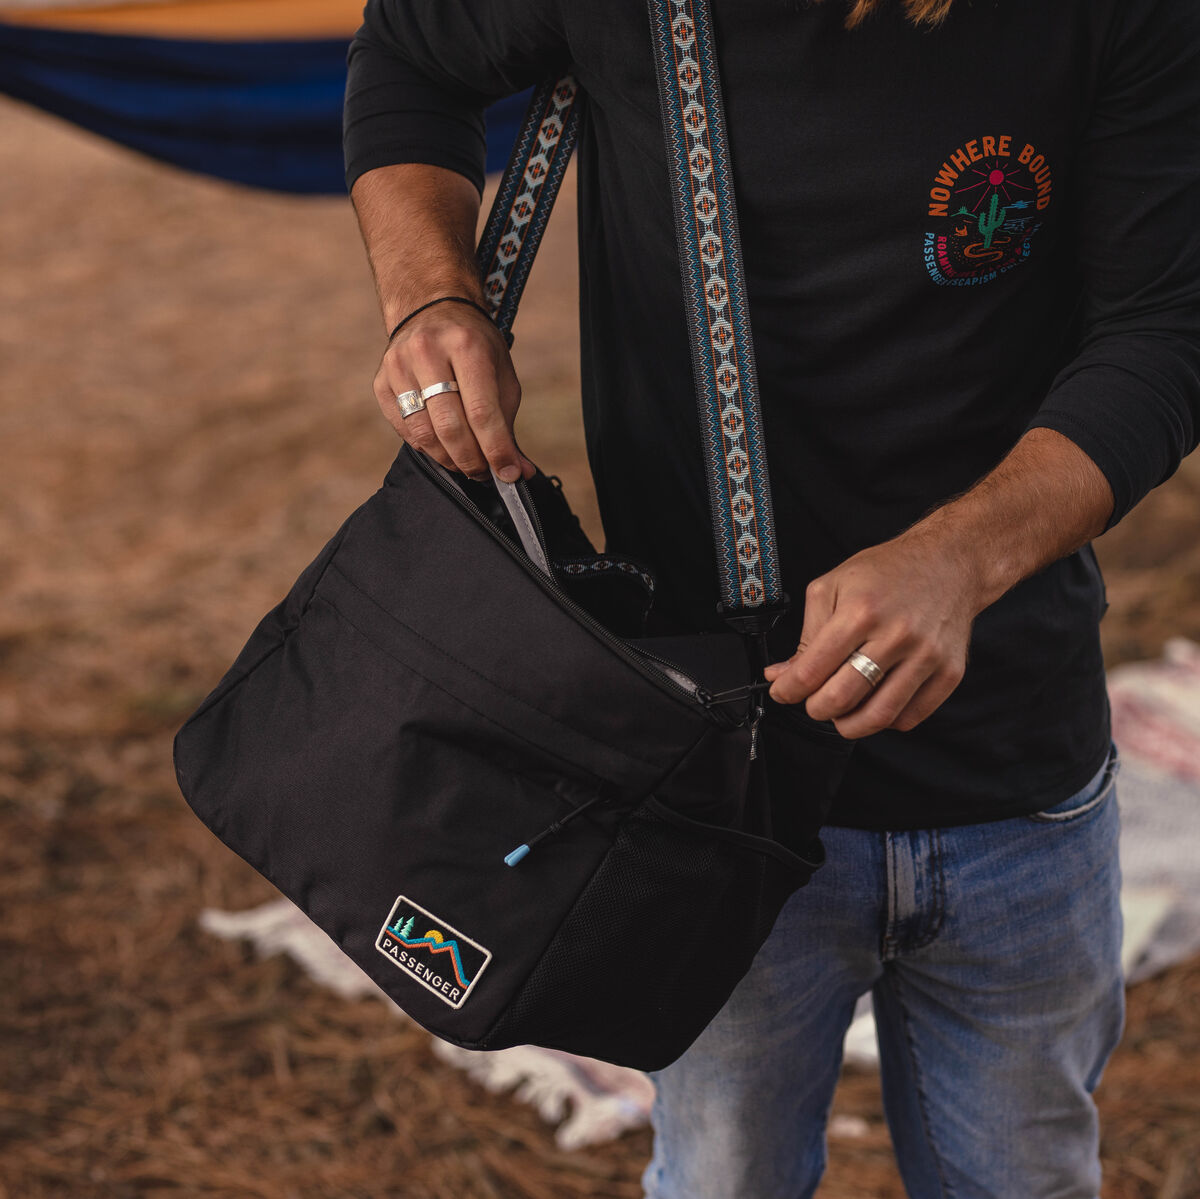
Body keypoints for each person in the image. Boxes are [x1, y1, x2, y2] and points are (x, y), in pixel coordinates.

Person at [342, 0, 1200, 1194]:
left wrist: (962, 556)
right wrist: (433, 295)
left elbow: (1166, 327)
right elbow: (409, 56)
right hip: (713, 789)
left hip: (1019, 771)